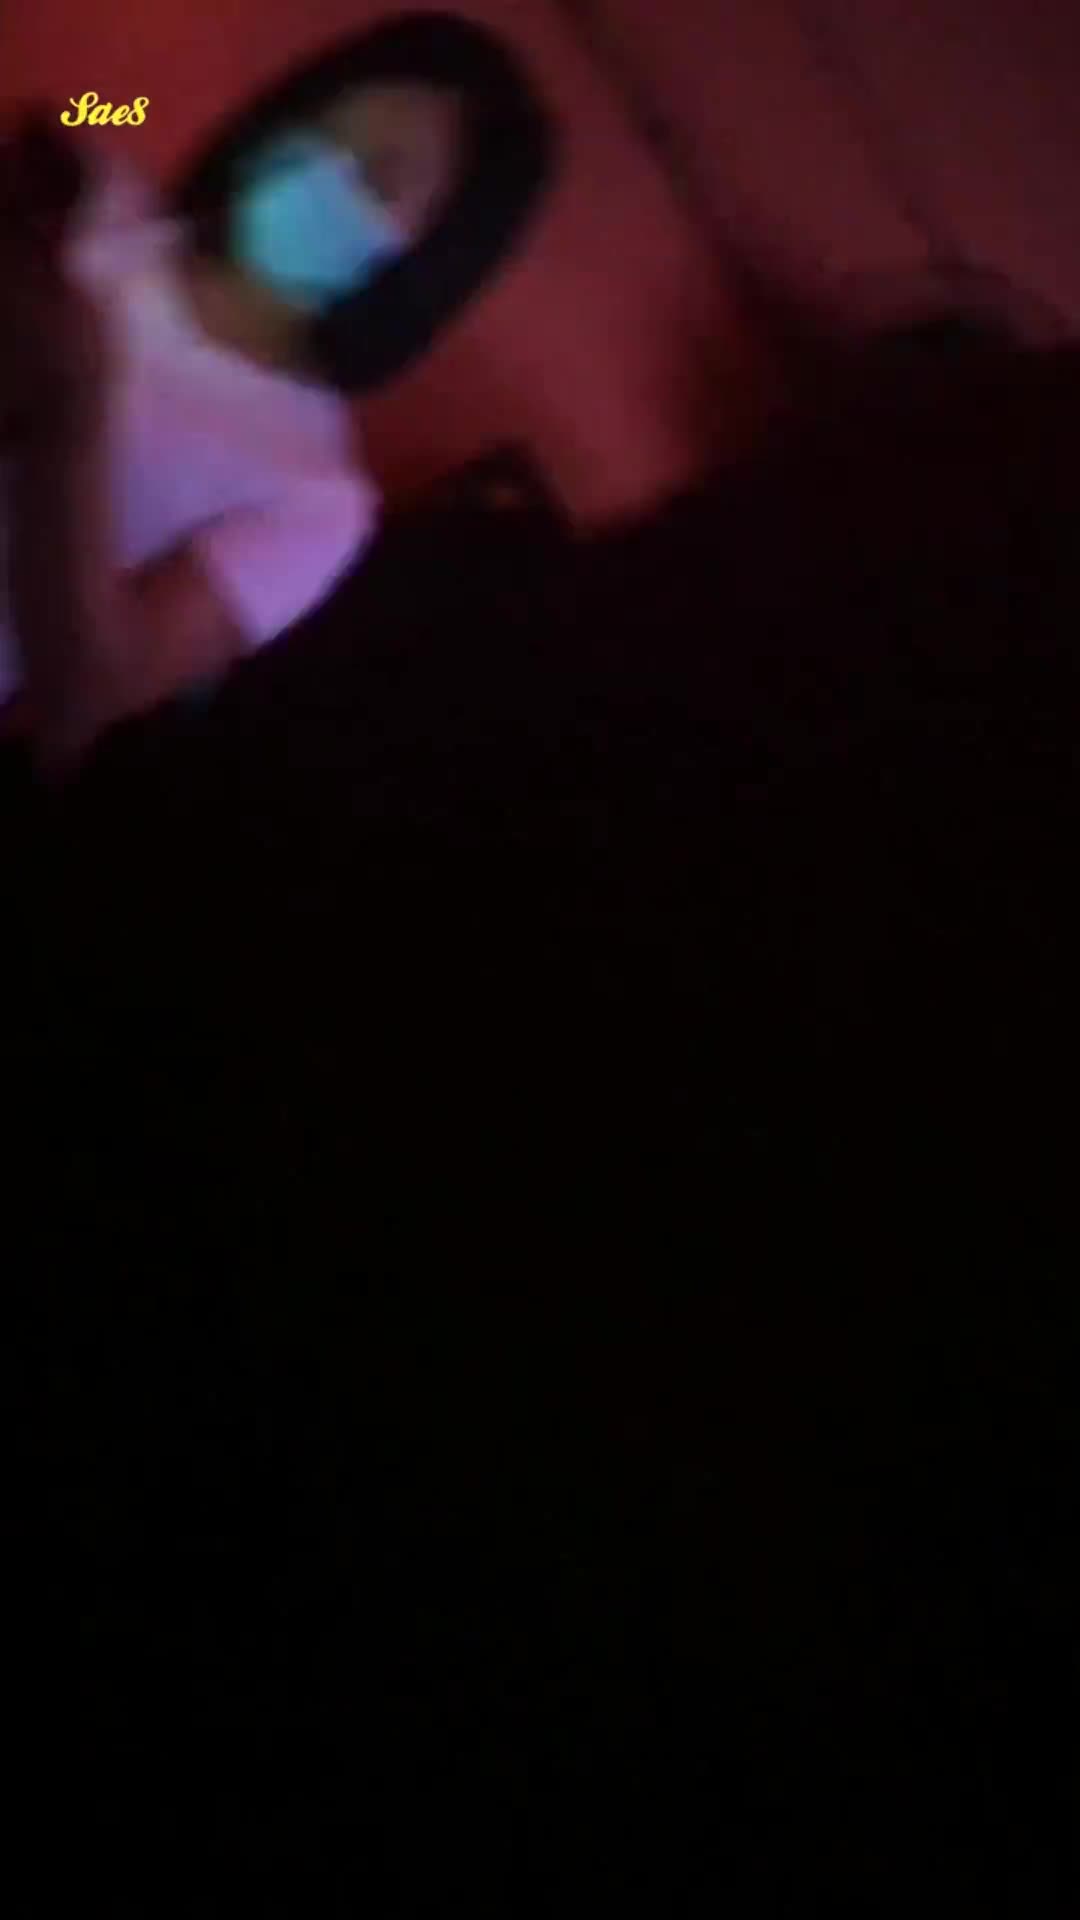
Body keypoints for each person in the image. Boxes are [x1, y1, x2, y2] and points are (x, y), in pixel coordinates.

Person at [0, 17, 553, 775]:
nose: (318, 167)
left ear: (435, 260)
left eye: (374, 177)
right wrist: (70, 115)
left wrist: (71, 415)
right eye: (323, 124)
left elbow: (79, 702)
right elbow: (84, 110)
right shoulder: (104, 204)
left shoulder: (316, 498)